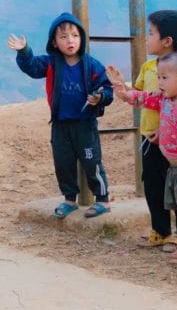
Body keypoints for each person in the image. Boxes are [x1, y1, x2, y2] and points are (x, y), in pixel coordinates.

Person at [8, 13, 114, 218]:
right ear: (54, 43)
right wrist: (24, 51)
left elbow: (106, 88)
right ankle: (69, 199)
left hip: (85, 125)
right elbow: (31, 66)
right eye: (63, 37)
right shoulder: (51, 63)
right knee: (63, 163)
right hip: (60, 125)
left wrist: (100, 97)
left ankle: (102, 200)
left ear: (81, 39)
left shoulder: (91, 65)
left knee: (92, 162)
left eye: (75, 35)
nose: (70, 40)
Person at [108, 53, 177, 263]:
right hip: (174, 168)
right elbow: (144, 98)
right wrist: (124, 93)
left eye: (164, 77)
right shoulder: (165, 100)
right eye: (159, 77)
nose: (160, 82)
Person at [133, 10, 177, 253]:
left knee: (176, 186)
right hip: (149, 136)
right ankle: (160, 231)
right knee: (152, 182)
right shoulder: (148, 67)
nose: (146, 38)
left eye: (150, 33)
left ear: (167, 41)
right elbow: (143, 95)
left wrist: (165, 131)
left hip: (174, 143)